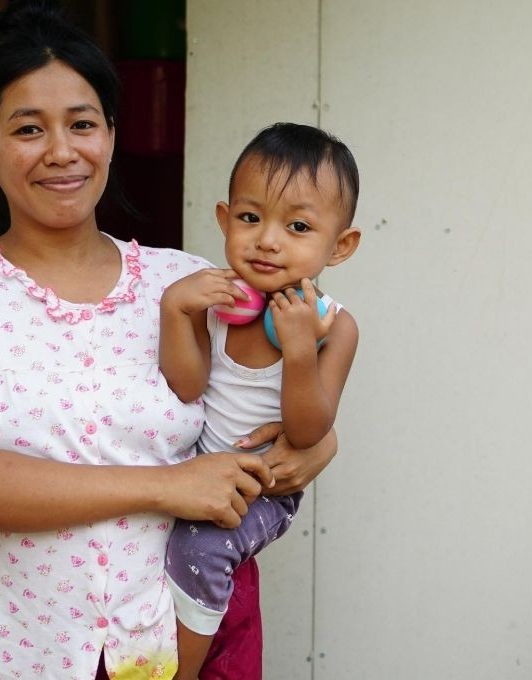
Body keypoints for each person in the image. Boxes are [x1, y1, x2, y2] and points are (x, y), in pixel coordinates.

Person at [0, 2, 336, 679]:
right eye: (29, 129)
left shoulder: (192, 285)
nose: (62, 151)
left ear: (112, 136)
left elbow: (269, 397)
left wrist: (316, 441)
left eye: (83, 124)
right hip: (12, 654)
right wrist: (165, 486)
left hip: (172, 641)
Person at [159, 123, 362, 679]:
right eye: (250, 218)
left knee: (202, 551)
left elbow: (309, 432)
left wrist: (299, 350)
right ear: (224, 220)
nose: (268, 240)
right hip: (196, 470)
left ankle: (180, 672)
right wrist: (177, 312)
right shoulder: (216, 300)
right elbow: (187, 386)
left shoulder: (335, 329)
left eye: (297, 226)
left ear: (339, 246)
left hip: (264, 489)